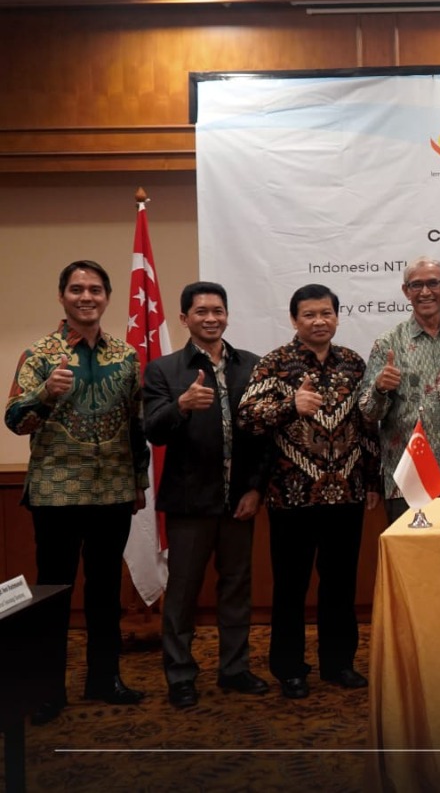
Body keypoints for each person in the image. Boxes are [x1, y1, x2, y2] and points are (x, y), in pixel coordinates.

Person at [5, 260, 149, 722]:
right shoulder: (39, 354)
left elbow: (136, 424)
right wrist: (45, 392)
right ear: (62, 296)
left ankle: (105, 679)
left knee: (105, 593)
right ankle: (48, 689)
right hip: (57, 493)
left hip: (113, 491)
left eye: (95, 289)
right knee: (54, 593)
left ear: (106, 296)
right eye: (76, 289)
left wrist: (139, 481)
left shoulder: (126, 356)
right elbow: (15, 421)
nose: (86, 296)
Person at [238, 284, 381, 699]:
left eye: (326, 313)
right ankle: (290, 669)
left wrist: (372, 479)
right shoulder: (275, 363)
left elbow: (367, 426)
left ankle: (339, 664)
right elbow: (247, 417)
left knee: (340, 585)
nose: (319, 321)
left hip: (347, 495)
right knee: (290, 587)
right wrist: (289, 406)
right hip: (291, 497)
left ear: (336, 316)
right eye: (309, 315)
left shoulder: (353, 363)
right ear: (294, 319)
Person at [142, 282, 270, 709]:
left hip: (239, 501)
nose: (211, 318)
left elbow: (264, 436)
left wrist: (256, 488)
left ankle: (235, 669)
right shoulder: (164, 370)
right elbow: (153, 430)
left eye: (218, 310)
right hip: (189, 503)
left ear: (227, 315)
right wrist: (180, 406)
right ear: (184, 319)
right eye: (201, 311)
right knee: (182, 594)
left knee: (236, 589)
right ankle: (180, 675)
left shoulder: (251, 365)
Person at [358, 256, 440, 523]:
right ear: (406, 291)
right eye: (416, 285)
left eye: (433, 283)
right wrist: (380, 388)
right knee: (412, 551)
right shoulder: (388, 343)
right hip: (410, 479)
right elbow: (368, 413)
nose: (425, 292)